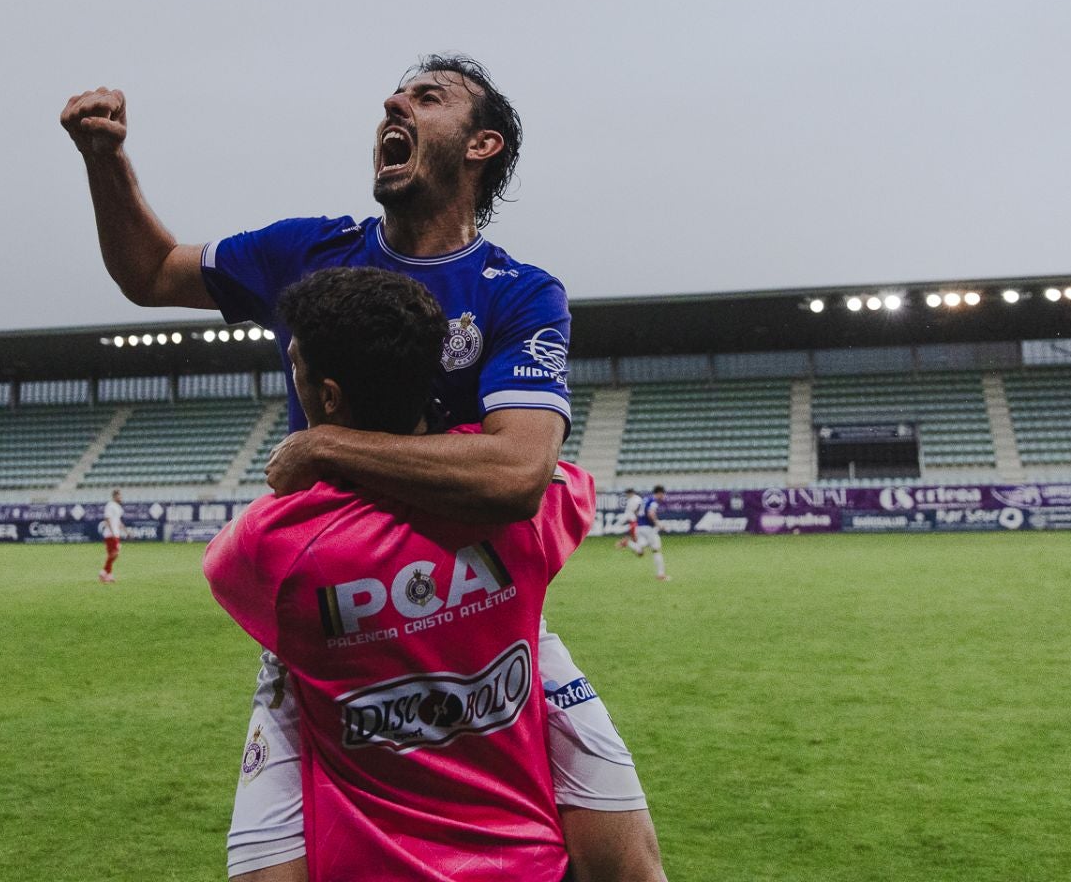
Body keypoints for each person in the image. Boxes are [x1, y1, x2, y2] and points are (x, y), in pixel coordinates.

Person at [61, 56, 663, 879]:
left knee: (630, 865)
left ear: (481, 144)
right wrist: (106, 161)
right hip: (336, 622)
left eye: (427, 96)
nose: (394, 100)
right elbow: (152, 272)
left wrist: (325, 446)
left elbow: (520, 474)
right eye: (396, 93)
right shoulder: (310, 251)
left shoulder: (518, 294)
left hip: (490, 619)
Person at [207, 267, 592, 880]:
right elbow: (555, 479)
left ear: (328, 398)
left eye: (295, 365)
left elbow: (228, 573)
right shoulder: (535, 510)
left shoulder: (267, 547)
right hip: (528, 864)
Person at [630, 486, 668, 581]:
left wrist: (640, 520)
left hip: (639, 527)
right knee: (656, 550)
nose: (663, 496)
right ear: (659, 493)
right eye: (663, 494)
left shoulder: (645, 499)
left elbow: (636, 511)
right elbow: (651, 513)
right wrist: (658, 524)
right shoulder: (653, 501)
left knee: (642, 547)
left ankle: (630, 544)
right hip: (648, 528)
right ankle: (661, 575)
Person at [99, 488, 125, 583]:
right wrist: (112, 531)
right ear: (115, 496)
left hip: (116, 533)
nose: (121, 497)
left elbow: (118, 521)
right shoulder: (110, 505)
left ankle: (108, 575)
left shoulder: (118, 507)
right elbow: (107, 519)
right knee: (115, 553)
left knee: (112, 555)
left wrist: (126, 531)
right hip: (110, 534)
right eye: (119, 495)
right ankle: (103, 572)